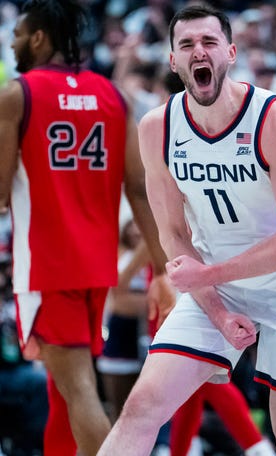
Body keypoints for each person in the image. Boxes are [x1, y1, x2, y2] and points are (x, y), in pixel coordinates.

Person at [98, 4, 276, 456]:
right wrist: (217, 311)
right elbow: (173, 233)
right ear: (172, 60)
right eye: (186, 44)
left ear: (229, 52)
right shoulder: (158, 128)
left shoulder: (275, 118)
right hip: (220, 286)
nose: (198, 51)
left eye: (208, 42)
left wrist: (206, 277)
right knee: (142, 406)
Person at [0, 1, 173, 455]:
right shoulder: (113, 96)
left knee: (79, 394)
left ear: (38, 38)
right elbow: (139, 189)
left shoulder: (17, 94)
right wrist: (164, 268)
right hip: (97, 269)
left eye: (18, 33)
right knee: (65, 395)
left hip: (46, 266)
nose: (13, 42)